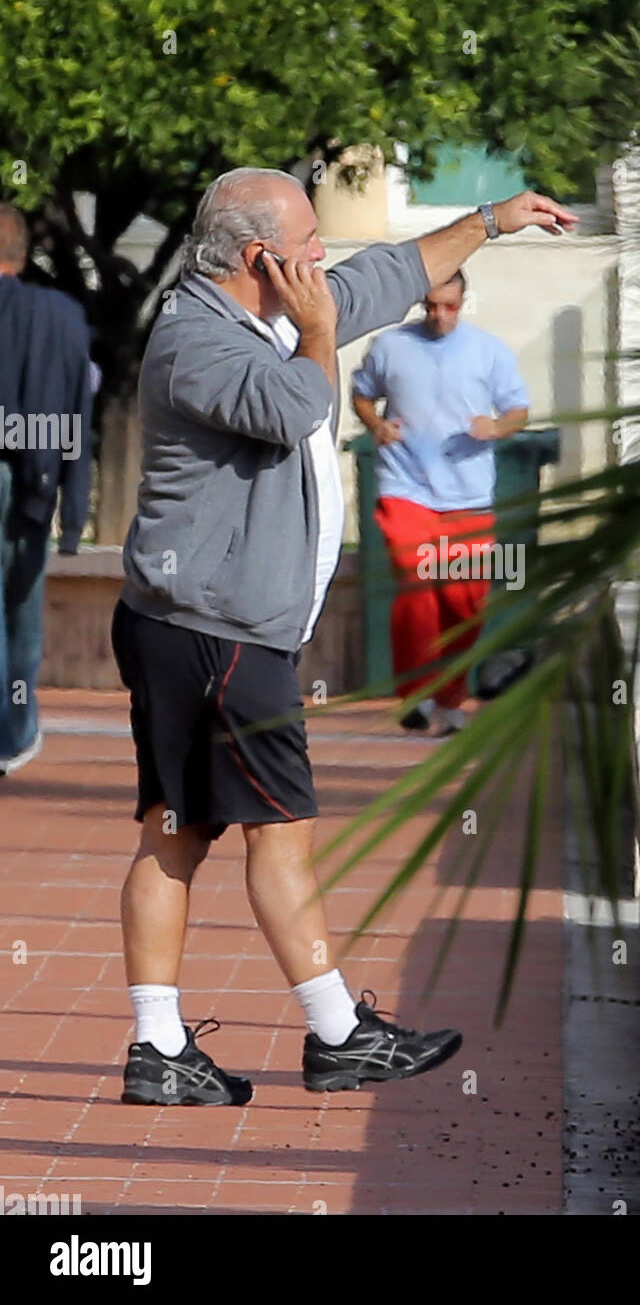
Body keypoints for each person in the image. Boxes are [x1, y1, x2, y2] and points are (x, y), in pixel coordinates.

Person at [112, 168, 577, 1104]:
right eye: (311, 244)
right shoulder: (196, 340)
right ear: (259, 260)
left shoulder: (272, 308)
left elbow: (393, 272)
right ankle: (332, 1035)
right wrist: (320, 332)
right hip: (215, 632)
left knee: (182, 831)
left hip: (213, 628)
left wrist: (492, 219)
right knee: (266, 833)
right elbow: (298, 411)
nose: (326, 258)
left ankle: (164, 1050)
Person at [352, 271, 529, 733]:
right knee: (415, 586)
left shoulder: (488, 351)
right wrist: (376, 425)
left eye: (449, 306)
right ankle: (416, 696)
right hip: (405, 488)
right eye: (431, 305)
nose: (439, 315)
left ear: (463, 301)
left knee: (462, 603)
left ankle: (451, 698)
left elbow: (518, 410)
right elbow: (362, 394)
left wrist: (497, 427)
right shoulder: (390, 346)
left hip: (468, 497)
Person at [0, 203, 93, 777]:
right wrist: (74, 510)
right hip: (34, 476)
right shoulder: (60, 314)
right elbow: (76, 410)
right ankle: (14, 732)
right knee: (20, 613)